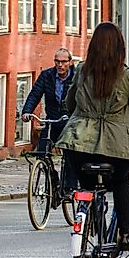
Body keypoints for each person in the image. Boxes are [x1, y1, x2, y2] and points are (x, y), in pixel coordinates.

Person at [57, 22, 129, 251]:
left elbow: (69, 103)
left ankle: (90, 221)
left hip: (78, 142)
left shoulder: (82, 70)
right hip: (115, 146)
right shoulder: (126, 75)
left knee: (87, 187)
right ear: (119, 47)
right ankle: (125, 234)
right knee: (121, 182)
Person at [21, 48, 77, 192]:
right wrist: (27, 111)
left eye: (63, 62)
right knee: (42, 152)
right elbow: (35, 94)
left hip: (70, 121)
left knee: (70, 154)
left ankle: (69, 188)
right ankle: (53, 178)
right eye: (57, 61)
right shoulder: (47, 75)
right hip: (52, 121)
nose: (60, 65)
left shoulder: (77, 77)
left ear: (70, 62)